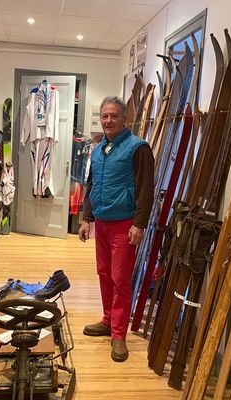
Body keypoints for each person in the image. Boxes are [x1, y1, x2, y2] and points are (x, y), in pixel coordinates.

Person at [79, 96, 154, 362]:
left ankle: (119, 334)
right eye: (104, 116)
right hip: (102, 223)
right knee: (103, 273)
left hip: (125, 224)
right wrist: (86, 218)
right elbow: (91, 184)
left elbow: (146, 189)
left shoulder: (138, 148)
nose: (108, 121)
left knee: (120, 279)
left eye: (113, 116)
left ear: (124, 119)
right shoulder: (99, 149)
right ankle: (108, 320)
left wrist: (139, 224)